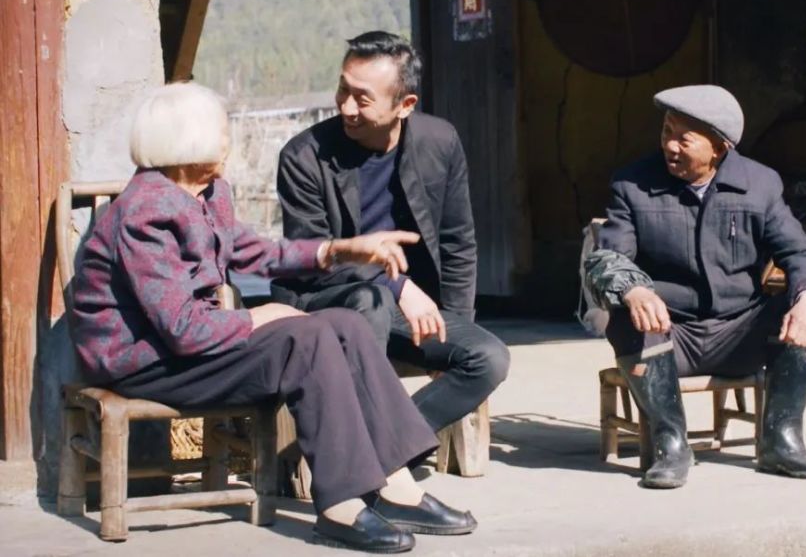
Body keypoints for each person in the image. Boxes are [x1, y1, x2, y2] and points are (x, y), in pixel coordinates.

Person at [71, 82, 477, 554]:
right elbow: (182, 329)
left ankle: (396, 485)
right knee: (306, 338)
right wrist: (259, 316)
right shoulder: (146, 213)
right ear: (189, 141)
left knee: (345, 324)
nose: (227, 140)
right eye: (220, 130)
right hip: (145, 362)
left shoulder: (208, 192)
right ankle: (340, 503)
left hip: (190, 345)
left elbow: (255, 253)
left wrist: (342, 249)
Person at [585, 84, 806, 490]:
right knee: (626, 313)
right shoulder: (633, 183)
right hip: (669, 335)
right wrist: (635, 289)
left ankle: (781, 442)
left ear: (720, 147)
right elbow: (607, 257)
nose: (669, 145)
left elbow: (801, 251)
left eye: (683, 139)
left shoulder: (760, 184)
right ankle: (671, 445)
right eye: (666, 131)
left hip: (741, 335)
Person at [272, 31, 510, 434]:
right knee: (372, 299)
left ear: (405, 105)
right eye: (343, 90)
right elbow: (314, 255)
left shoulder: (439, 143)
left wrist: (454, 325)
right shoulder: (304, 156)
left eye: (362, 98)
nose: (347, 106)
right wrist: (397, 286)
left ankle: (392, 442)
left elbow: (457, 243)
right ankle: (370, 450)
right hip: (326, 300)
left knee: (489, 358)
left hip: (408, 311)